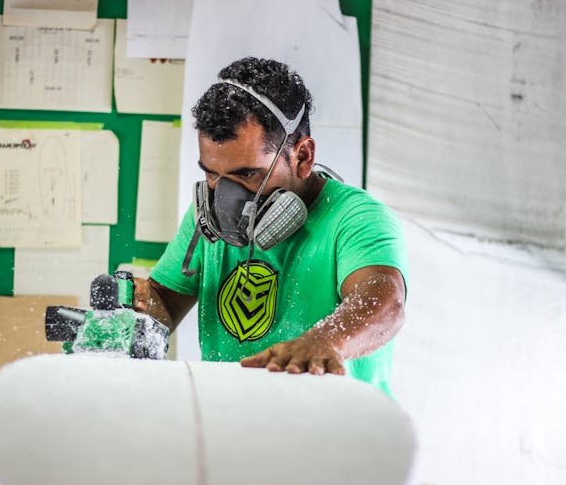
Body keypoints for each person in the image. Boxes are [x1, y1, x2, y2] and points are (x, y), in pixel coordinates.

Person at [134, 57, 407, 395]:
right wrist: (136, 310)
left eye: (247, 174)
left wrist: (324, 341)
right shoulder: (206, 217)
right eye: (211, 173)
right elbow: (163, 302)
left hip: (339, 433)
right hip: (242, 425)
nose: (224, 197)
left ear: (302, 157)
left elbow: (384, 302)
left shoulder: (355, 218)